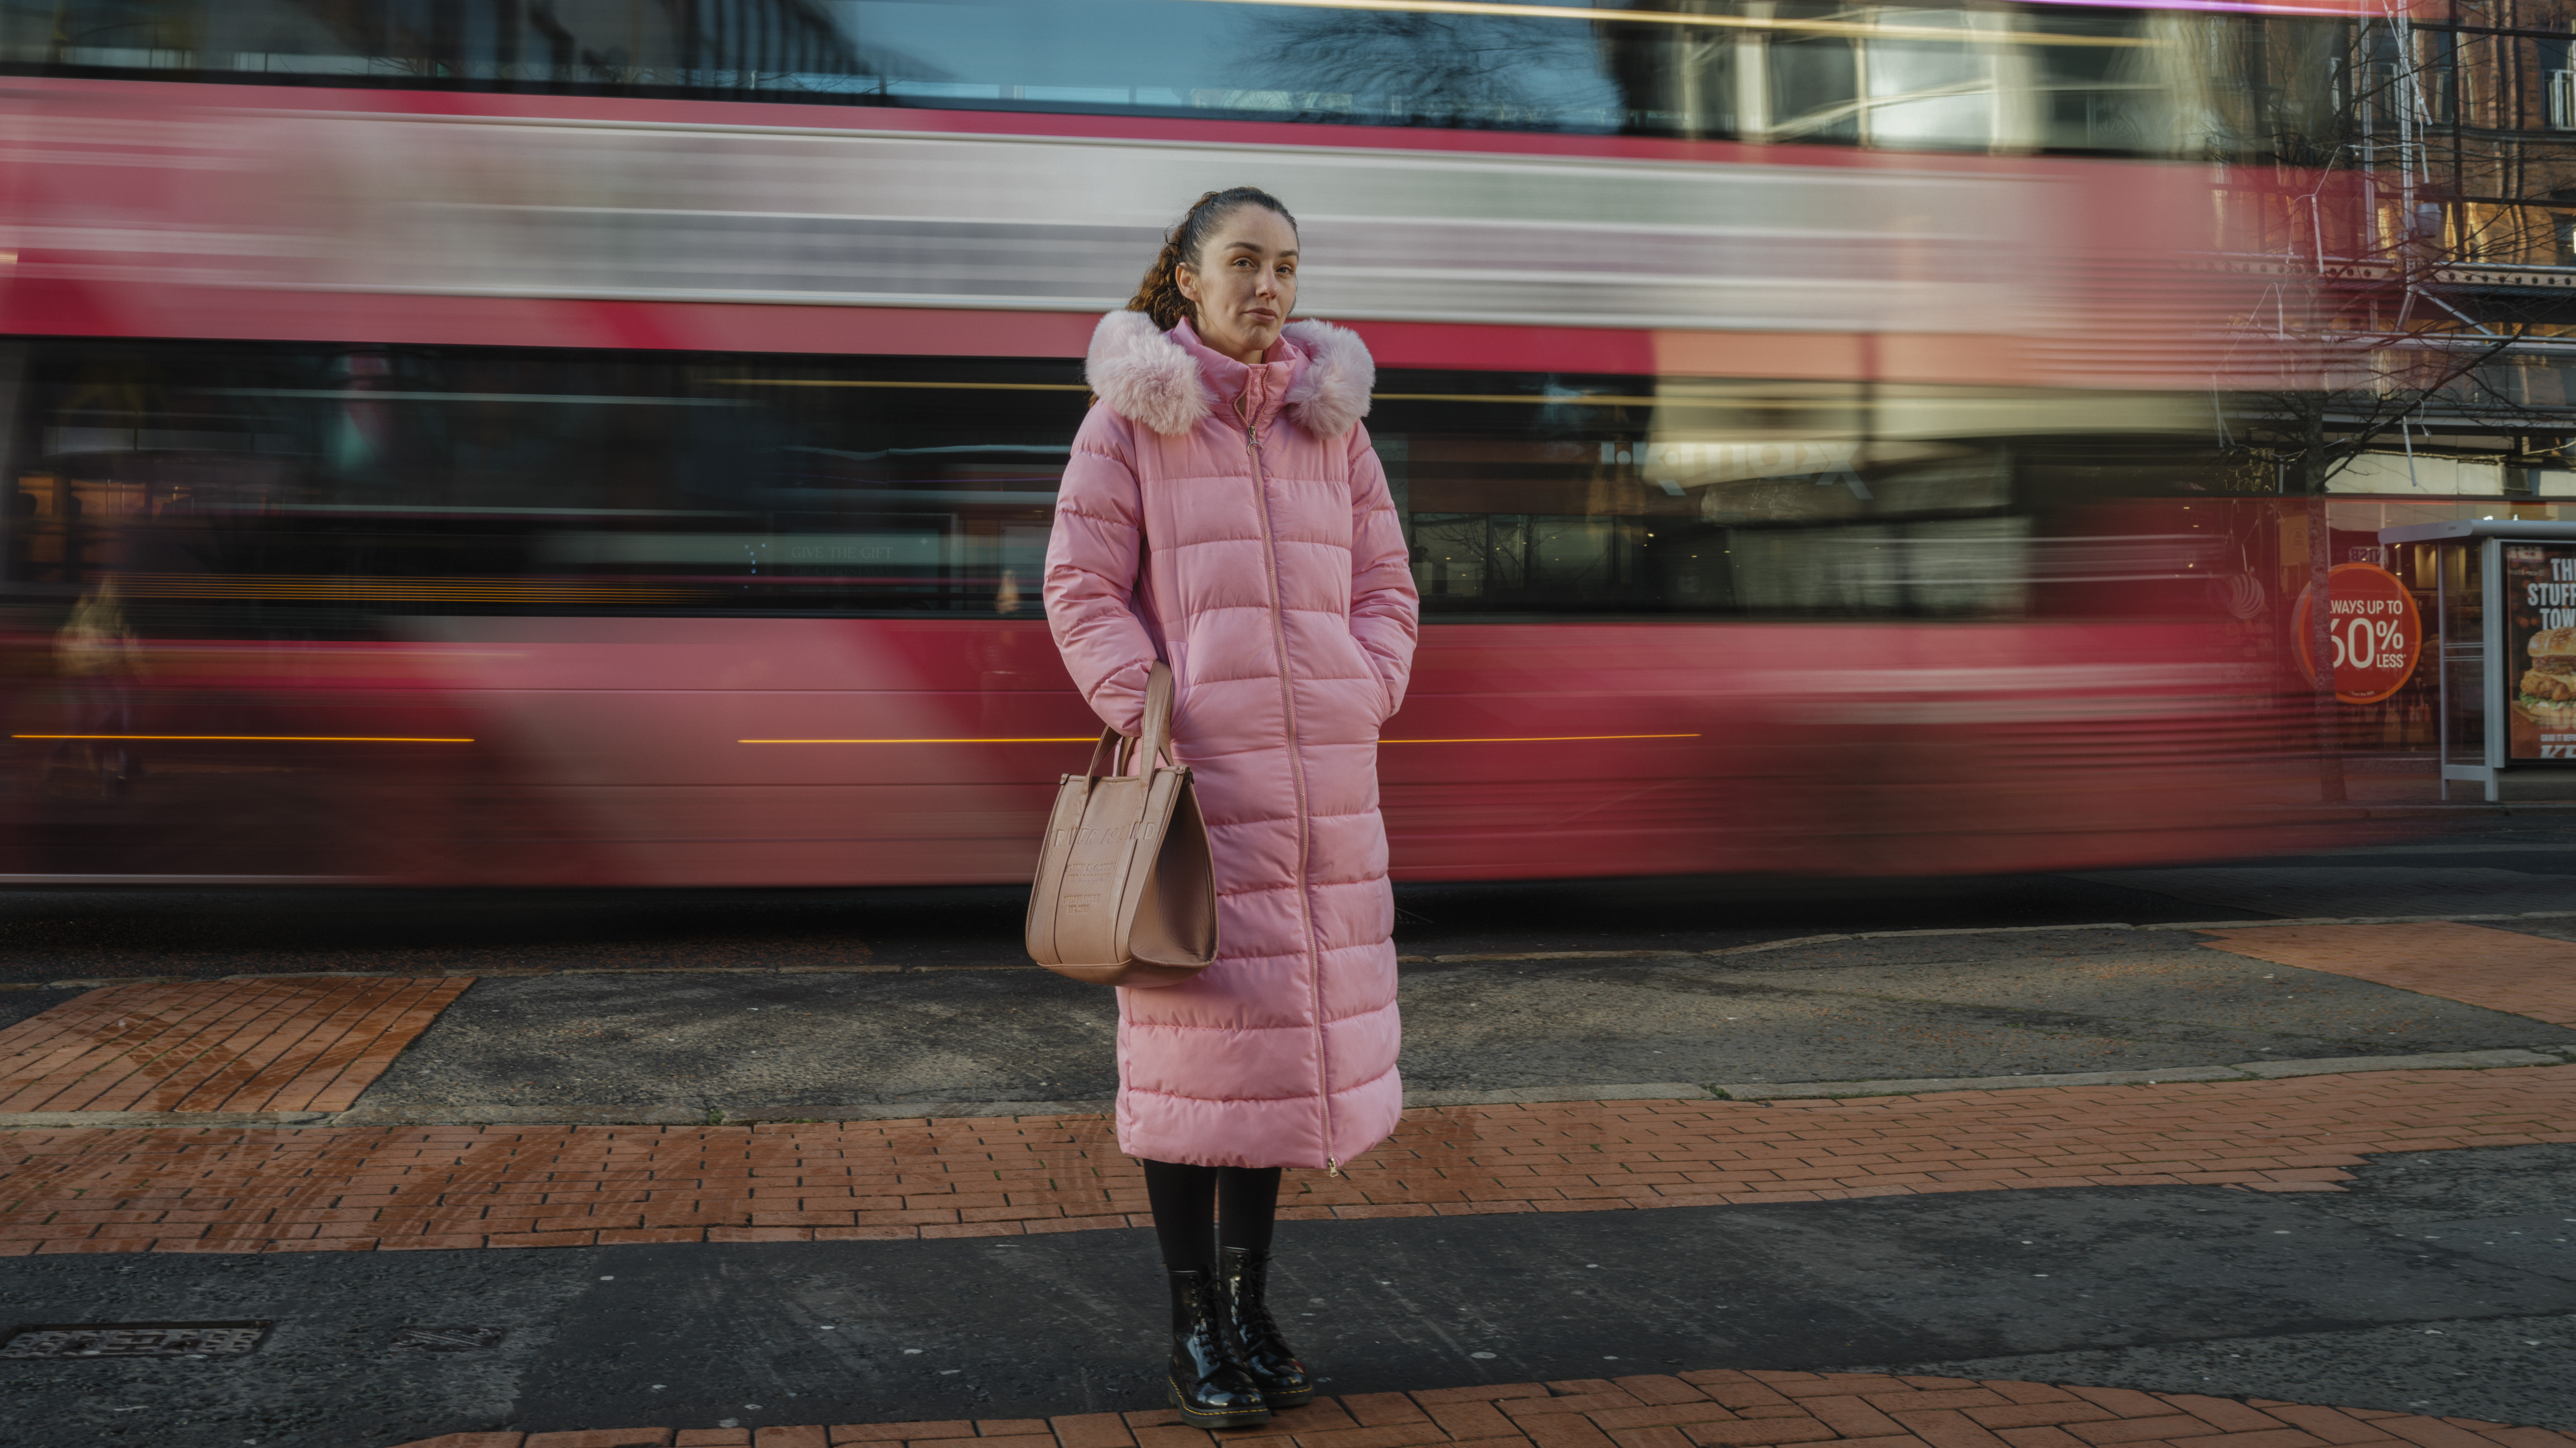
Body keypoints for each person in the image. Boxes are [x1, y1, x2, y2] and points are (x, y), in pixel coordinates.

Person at [1042, 187, 1419, 1428]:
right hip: (1198, 798)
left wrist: (1363, 690)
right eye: (1245, 263)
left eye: (1289, 267)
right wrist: (1150, 706)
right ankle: (1192, 1328)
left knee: (1269, 1064)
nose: (1270, 287)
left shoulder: (1333, 429)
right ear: (1186, 282)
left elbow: (1387, 587)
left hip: (1320, 796)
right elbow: (1081, 584)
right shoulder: (1131, 422)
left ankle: (1252, 1314)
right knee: (1187, 1067)